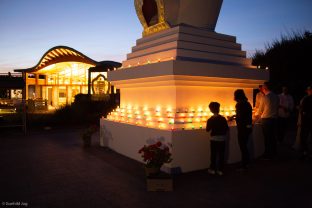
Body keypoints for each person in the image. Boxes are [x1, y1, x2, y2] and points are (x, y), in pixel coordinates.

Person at [257, 82, 279, 159]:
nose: (262, 89)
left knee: (267, 138)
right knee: (273, 137)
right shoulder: (276, 96)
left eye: (262, 87)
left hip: (266, 120)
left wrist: (256, 116)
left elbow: (260, 110)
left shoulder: (265, 97)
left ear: (265, 88)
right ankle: (274, 153)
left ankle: (267, 154)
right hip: (274, 119)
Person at [206, 102, 229, 176]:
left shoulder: (210, 120)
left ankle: (212, 169)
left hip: (214, 139)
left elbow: (207, 130)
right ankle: (220, 170)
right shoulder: (223, 118)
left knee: (213, 155)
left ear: (211, 110)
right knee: (221, 154)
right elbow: (226, 129)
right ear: (218, 109)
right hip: (222, 139)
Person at [233, 89, 253, 170]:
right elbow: (245, 115)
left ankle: (245, 164)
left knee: (243, 146)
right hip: (248, 127)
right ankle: (246, 162)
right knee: (245, 145)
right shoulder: (248, 104)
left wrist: (234, 118)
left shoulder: (239, 104)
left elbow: (240, 117)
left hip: (242, 128)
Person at [299, 85, 312, 160]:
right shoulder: (306, 98)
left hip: (306, 121)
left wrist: (301, 110)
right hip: (308, 120)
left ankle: (305, 152)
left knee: (303, 137)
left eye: (308, 90)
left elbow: (303, 110)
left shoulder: (306, 98)